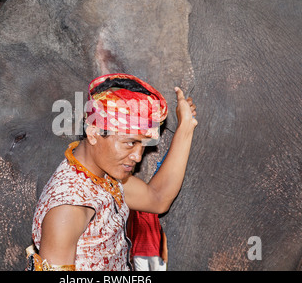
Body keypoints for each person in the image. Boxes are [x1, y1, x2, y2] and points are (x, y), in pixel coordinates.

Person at [28, 73, 197, 271]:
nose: (137, 156)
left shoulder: (102, 174)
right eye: (130, 143)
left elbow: (157, 198)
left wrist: (186, 126)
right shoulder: (68, 207)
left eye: (142, 145)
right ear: (93, 133)